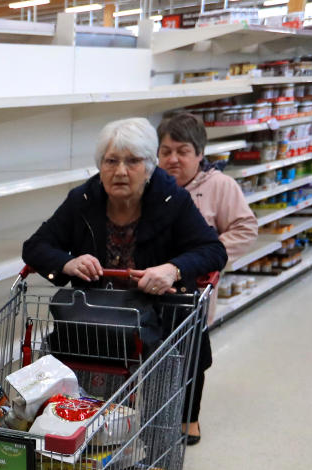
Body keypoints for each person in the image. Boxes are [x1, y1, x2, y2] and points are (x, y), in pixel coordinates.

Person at [22, 117, 226, 444]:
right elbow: (34, 247)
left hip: (160, 315)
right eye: (111, 161)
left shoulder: (172, 201)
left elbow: (212, 250)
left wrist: (171, 269)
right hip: (98, 319)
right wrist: (68, 262)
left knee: (163, 393)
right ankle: (97, 454)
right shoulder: (83, 201)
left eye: (133, 161)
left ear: (149, 166)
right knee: (93, 401)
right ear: (100, 165)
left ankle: (157, 456)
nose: (120, 171)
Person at [157, 112, 259, 445]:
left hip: (194, 289)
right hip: (153, 284)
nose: (173, 159)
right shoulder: (152, 185)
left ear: (199, 154)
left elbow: (245, 229)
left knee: (192, 356)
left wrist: (207, 254)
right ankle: (150, 414)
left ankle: (189, 418)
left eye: (182, 151)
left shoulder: (220, 187)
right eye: (166, 151)